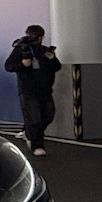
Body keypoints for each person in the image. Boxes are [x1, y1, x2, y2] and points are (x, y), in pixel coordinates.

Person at [5, 25, 60, 156]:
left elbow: (57, 67)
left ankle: (29, 132)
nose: (37, 40)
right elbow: (8, 66)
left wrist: (52, 59)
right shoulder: (20, 50)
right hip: (28, 90)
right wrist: (22, 65)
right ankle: (36, 145)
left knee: (48, 115)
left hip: (45, 90)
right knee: (34, 118)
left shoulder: (45, 51)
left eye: (39, 37)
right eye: (34, 37)